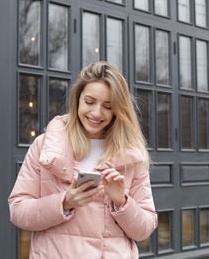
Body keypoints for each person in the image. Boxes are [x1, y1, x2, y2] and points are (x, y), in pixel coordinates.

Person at [8, 61, 157, 258]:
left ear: (118, 110)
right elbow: (18, 211)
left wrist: (121, 201)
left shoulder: (131, 155)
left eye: (107, 106)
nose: (96, 113)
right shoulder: (45, 146)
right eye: (89, 102)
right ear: (77, 99)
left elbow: (144, 229)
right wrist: (64, 203)